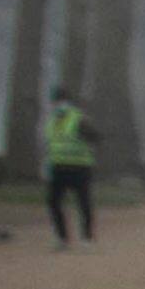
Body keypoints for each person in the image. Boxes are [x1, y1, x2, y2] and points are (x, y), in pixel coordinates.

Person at [42, 86, 98, 244]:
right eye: (56, 102)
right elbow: (49, 144)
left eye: (61, 101)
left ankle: (87, 237)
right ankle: (62, 237)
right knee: (53, 202)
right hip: (58, 167)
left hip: (79, 167)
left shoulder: (78, 119)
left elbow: (94, 137)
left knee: (83, 203)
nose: (58, 105)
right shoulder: (51, 122)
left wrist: (89, 145)